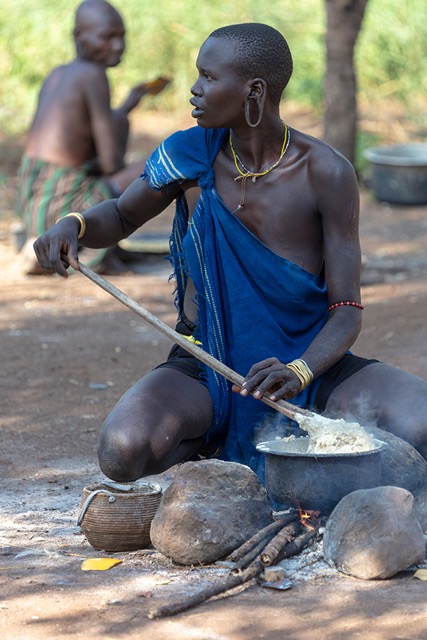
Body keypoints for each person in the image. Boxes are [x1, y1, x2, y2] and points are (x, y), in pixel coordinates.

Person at [33, 23, 427, 484]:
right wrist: (74, 225)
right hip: (209, 363)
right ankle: (219, 434)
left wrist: (300, 371)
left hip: (308, 366)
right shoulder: (188, 155)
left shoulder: (326, 172)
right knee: (122, 451)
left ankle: (301, 449)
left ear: (253, 91)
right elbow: (120, 217)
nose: (194, 91)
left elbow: (346, 311)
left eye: (208, 77)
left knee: (420, 423)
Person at [18, 0, 169, 274]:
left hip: (37, 211)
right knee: (163, 164)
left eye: (122, 36)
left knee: (121, 126)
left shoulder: (58, 74)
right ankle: (103, 253)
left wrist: (124, 109)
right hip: (62, 215)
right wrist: (121, 122)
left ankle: (110, 246)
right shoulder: (93, 75)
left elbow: (79, 143)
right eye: (107, 36)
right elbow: (112, 165)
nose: (118, 45)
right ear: (79, 36)